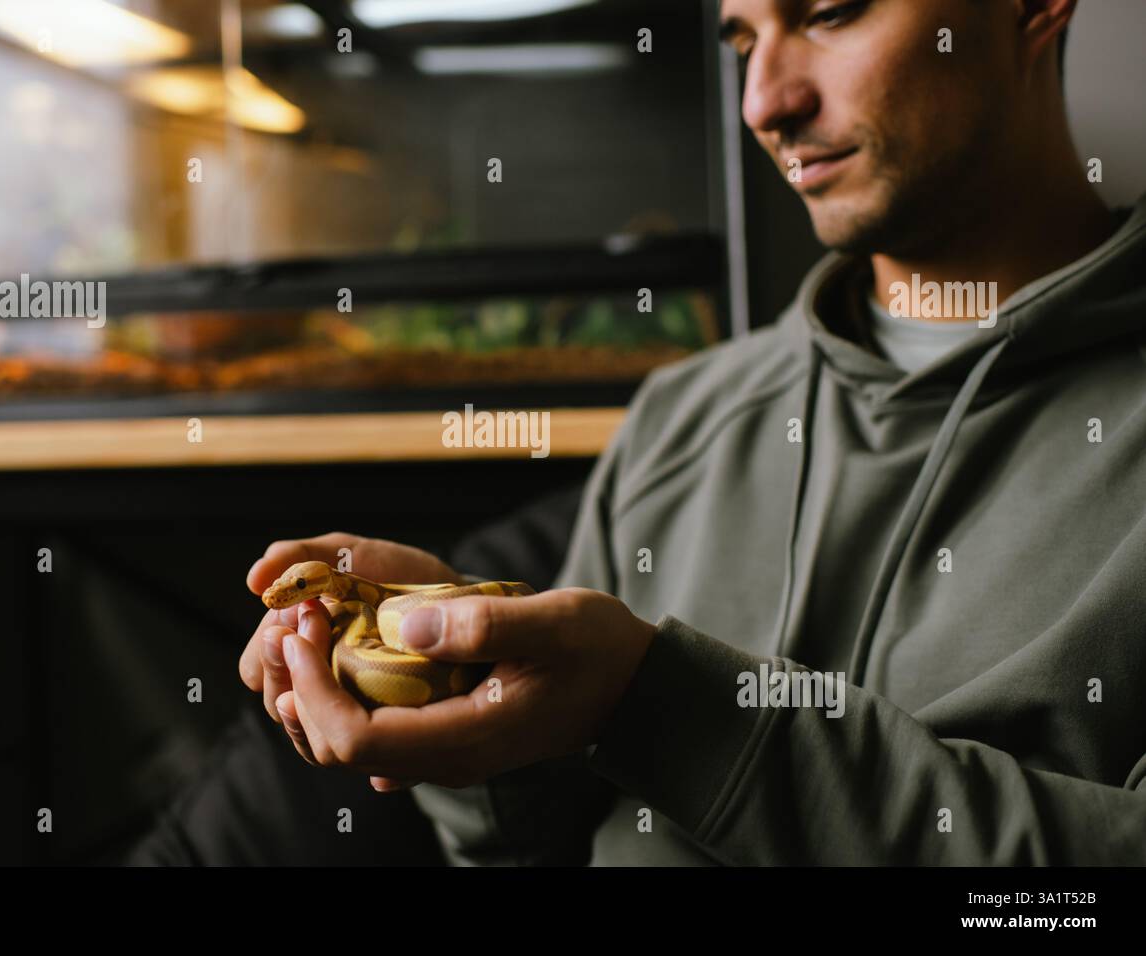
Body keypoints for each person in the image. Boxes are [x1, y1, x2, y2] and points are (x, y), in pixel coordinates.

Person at [232, 0, 1146, 865]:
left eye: (829, 14)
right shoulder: (682, 415)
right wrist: (473, 694)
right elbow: (526, 846)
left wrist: (666, 709)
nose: (766, 103)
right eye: (742, 42)